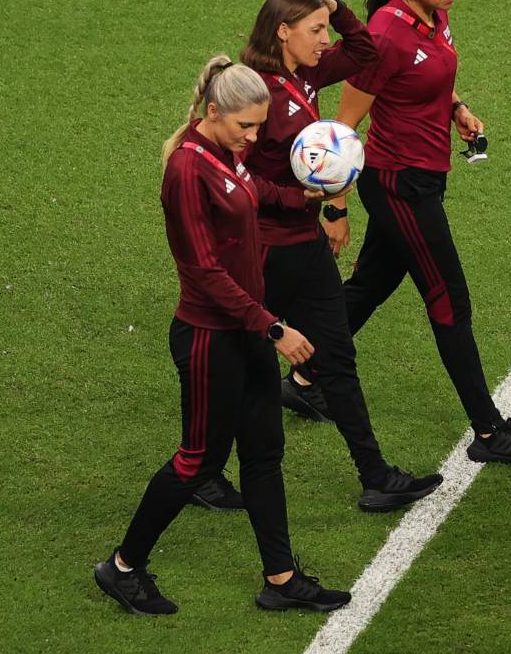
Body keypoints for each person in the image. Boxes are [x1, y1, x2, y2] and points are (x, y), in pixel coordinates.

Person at [94, 57, 350, 615]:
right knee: (197, 462)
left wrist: (305, 197)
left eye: (259, 126)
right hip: (211, 339)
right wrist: (273, 327)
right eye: (246, 126)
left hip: (245, 331)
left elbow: (254, 188)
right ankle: (122, 568)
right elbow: (204, 272)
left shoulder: (223, 153)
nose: (254, 137)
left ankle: (281, 580)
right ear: (214, 112)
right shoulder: (186, 171)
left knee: (263, 453)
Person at [334, 0, 511, 464]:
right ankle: (489, 433)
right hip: (399, 184)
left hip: (423, 176)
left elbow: (427, 74)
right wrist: (334, 207)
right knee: (449, 300)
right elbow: (341, 129)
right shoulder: (384, 35)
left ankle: (303, 376)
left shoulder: (433, 16)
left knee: (370, 285)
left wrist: (456, 108)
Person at [240, 0, 443, 512]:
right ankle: (199, 469)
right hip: (265, 251)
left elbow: (366, 53)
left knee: (337, 357)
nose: (325, 40)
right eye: (315, 31)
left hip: (305, 244)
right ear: (283, 32)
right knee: (240, 366)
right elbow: (235, 174)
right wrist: (294, 197)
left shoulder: (305, 73)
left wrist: (337, 9)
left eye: (325, 30)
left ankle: (376, 477)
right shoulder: (255, 94)